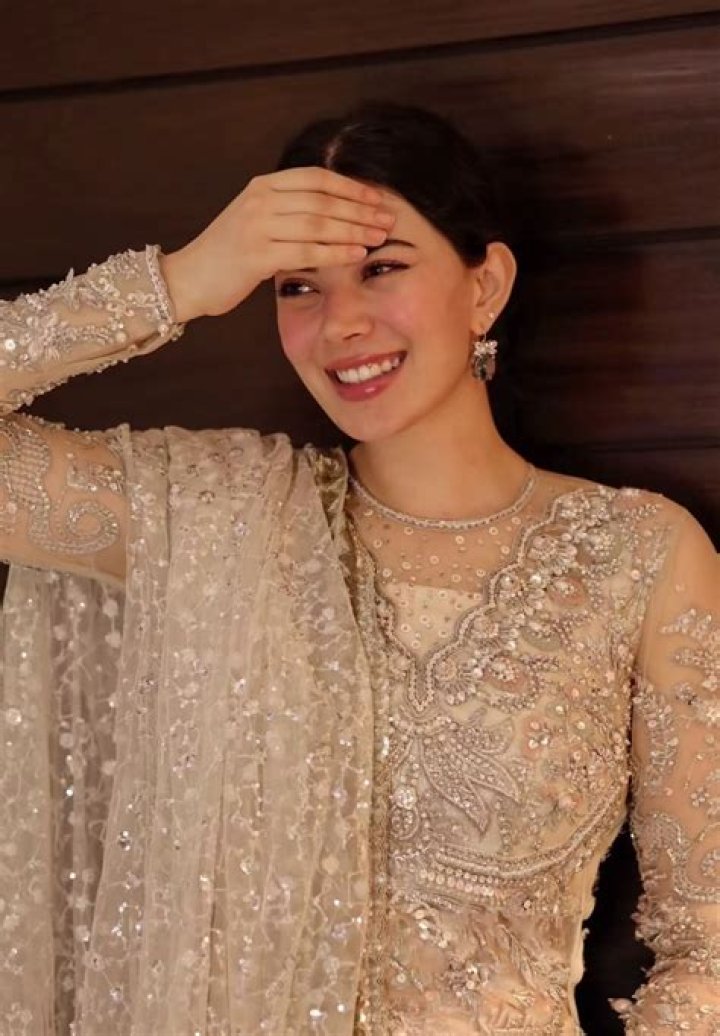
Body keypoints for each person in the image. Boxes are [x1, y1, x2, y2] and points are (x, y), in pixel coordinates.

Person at [0, 101, 717, 1036]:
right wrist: (182, 281)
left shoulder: (637, 555)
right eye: (297, 286)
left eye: (382, 268)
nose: (341, 323)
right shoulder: (216, 517)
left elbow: (710, 943)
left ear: (486, 285)